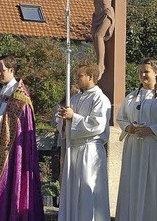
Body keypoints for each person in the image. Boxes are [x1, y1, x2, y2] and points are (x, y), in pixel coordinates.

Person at [0, 55, 44, 221]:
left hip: (11, 150)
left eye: (2, 70)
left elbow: (19, 122)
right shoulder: (1, 91)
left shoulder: (20, 94)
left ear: (12, 70)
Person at [115, 58, 157, 220]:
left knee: (150, 185)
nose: (143, 75)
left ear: (156, 73)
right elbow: (121, 118)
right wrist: (129, 127)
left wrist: (151, 130)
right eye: (140, 72)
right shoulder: (132, 96)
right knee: (132, 184)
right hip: (133, 148)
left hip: (153, 148)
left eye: (146, 71)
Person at [70, 0, 146, 78]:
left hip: (106, 13)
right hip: (97, 15)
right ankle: (98, 62)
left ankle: (101, 65)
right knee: (94, 37)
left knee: (99, 35)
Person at [57, 62, 111, 221]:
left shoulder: (100, 99)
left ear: (91, 77)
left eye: (80, 75)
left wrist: (73, 117)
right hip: (73, 150)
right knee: (72, 192)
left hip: (90, 151)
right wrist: (64, 120)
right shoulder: (74, 97)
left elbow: (97, 125)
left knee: (89, 192)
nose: (77, 78)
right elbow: (64, 125)